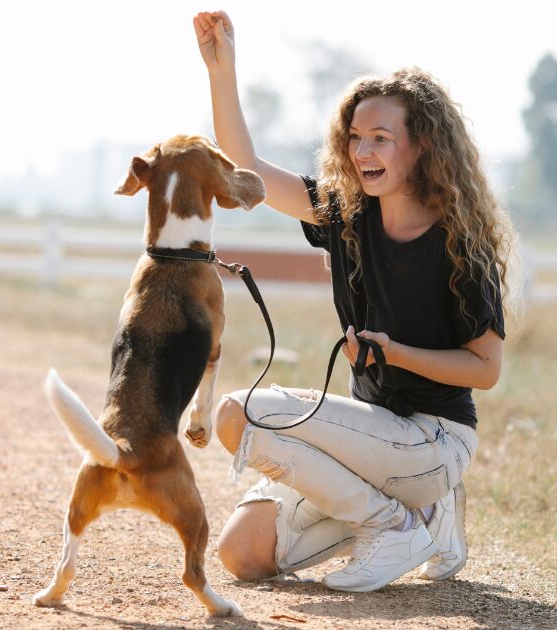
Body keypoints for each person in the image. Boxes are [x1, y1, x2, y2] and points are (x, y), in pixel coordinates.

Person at [192, 10, 516, 593]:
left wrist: (395, 352)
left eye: (381, 138)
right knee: (242, 555)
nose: (363, 149)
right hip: (371, 437)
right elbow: (248, 171)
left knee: (237, 413)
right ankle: (424, 520)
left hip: (434, 440)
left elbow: (486, 370)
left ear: (421, 148)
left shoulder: (460, 244)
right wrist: (223, 72)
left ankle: (394, 522)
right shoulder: (346, 215)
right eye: (356, 137)